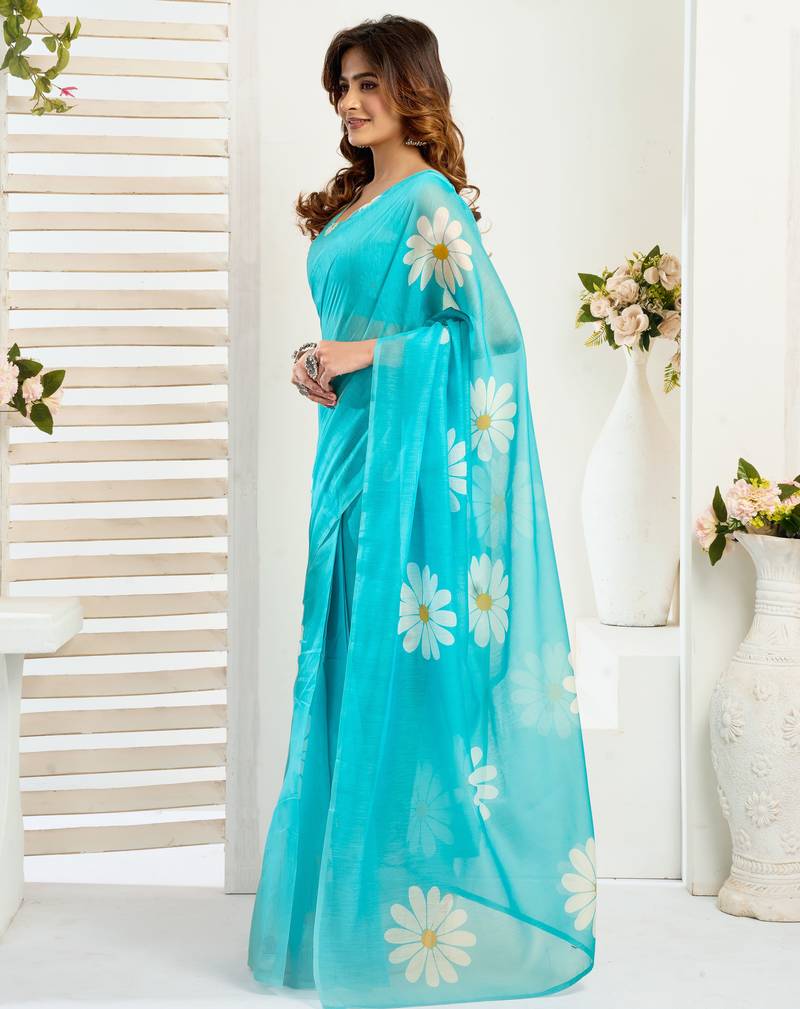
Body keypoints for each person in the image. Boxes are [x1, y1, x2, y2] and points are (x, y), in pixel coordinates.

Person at [248, 15, 597, 1008]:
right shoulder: (354, 202)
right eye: (342, 86)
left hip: (400, 471)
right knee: (336, 662)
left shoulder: (430, 201)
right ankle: (340, 913)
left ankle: (396, 918)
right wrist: (311, 356)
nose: (350, 101)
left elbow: (490, 341)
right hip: (346, 460)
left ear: (412, 89)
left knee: (392, 671)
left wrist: (367, 355)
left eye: (368, 82)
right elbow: (341, 331)